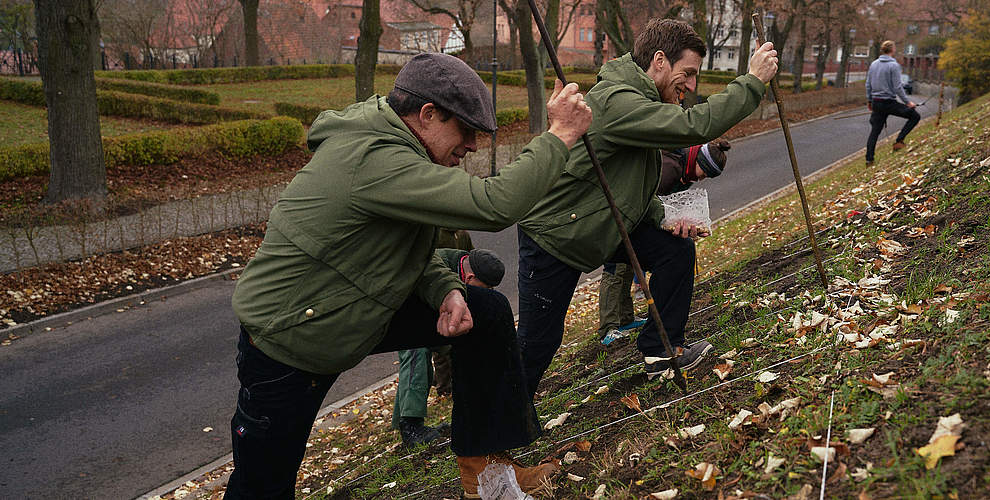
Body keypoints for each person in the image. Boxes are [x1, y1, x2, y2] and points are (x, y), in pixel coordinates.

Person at [223, 53, 592, 499]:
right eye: (466, 130)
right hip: (290, 341)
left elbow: (402, 249)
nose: (473, 145)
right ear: (427, 114)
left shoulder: (401, 151)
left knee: (486, 313)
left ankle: (488, 476)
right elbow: (494, 205)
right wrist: (560, 136)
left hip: (348, 309)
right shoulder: (377, 159)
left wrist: (446, 290)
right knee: (260, 488)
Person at [516, 18, 779, 393]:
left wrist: (665, 218)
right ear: (659, 61)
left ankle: (661, 352)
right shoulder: (618, 101)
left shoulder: (640, 99)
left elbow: (627, 183)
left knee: (675, 250)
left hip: (603, 222)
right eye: (687, 74)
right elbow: (693, 125)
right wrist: (752, 81)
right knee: (537, 344)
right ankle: (495, 423)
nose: (691, 87)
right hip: (556, 235)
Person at [597, 140, 731, 345]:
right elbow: (646, 200)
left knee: (627, 268)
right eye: (704, 172)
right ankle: (608, 327)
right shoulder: (670, 169)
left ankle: (625, 318)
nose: (702, 178)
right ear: (698, 160)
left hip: (637, 223)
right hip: (622, 221)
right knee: (615, 272)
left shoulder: (684, 171)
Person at [393, 248, 505, 447]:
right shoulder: (435, 264)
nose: (488, 294)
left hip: (435, 312)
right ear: (469, 277)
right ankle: (410, 426)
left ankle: (474, 409)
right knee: (416, 353)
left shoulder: (467, 262)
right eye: (485, 288)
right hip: (405, 306)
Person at [865, 40, 921, 166]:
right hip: (889, 102)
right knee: (915, 116)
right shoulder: (894, 65)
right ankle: (899, 141)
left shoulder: (874, 64)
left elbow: (868, 84)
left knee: (874, 132)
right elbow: (897, 87)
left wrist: (869, 100)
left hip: (876, 103)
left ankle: (869, 160)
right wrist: (908, 102)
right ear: (892, 50)